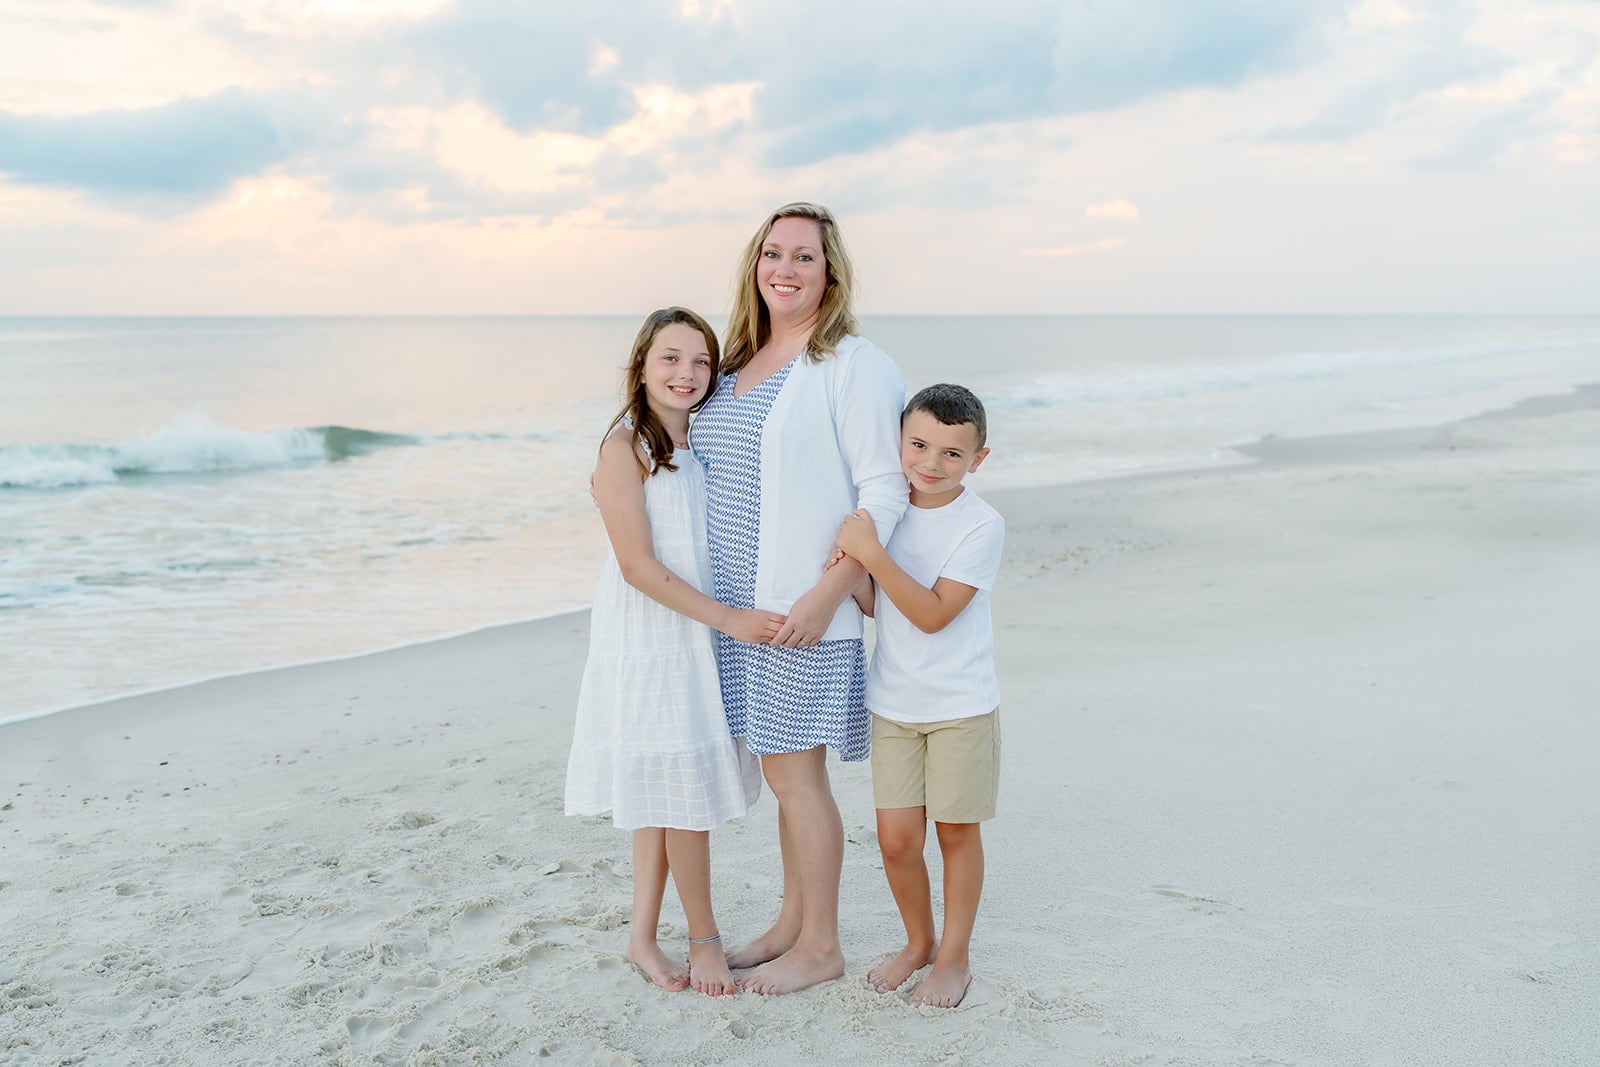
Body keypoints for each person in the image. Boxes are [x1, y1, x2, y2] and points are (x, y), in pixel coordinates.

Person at [690, 202, 908, 995]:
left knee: (796, 776)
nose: (786, 267)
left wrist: (831, 593)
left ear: (831, 273)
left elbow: (886, 490)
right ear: (755, 265)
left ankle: (821, 944)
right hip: (738, 613)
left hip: (798, 613)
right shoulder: (739, 360)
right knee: (784, 772)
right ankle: (790, 921)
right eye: (773, 253)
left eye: (805, 257)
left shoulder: (851, 362)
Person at [564, 307, 784, 996]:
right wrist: (730, 619)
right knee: (682, 787)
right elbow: (636, 565)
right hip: (652, 633)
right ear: (641, 365)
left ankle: (639, 935)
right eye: (669, 358)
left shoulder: (704, 440)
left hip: (696, 629)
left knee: (663, 785)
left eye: (699, 361)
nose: (685, 373)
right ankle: (703, 939)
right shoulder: (623, 446)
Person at [832, 383, 1004, 1009]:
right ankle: (918, 941)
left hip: (960, 707)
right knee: (898, 839)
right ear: (899, 441)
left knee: (956, 831)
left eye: (952, 454)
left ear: (977, 460)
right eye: (919, 445)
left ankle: (953, 958)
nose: (931, 463)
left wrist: (871, 554)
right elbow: (885, 607)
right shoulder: (889, 511)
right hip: (895, 705)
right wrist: (851, 576)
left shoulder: (981, 525)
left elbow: (931, 615)